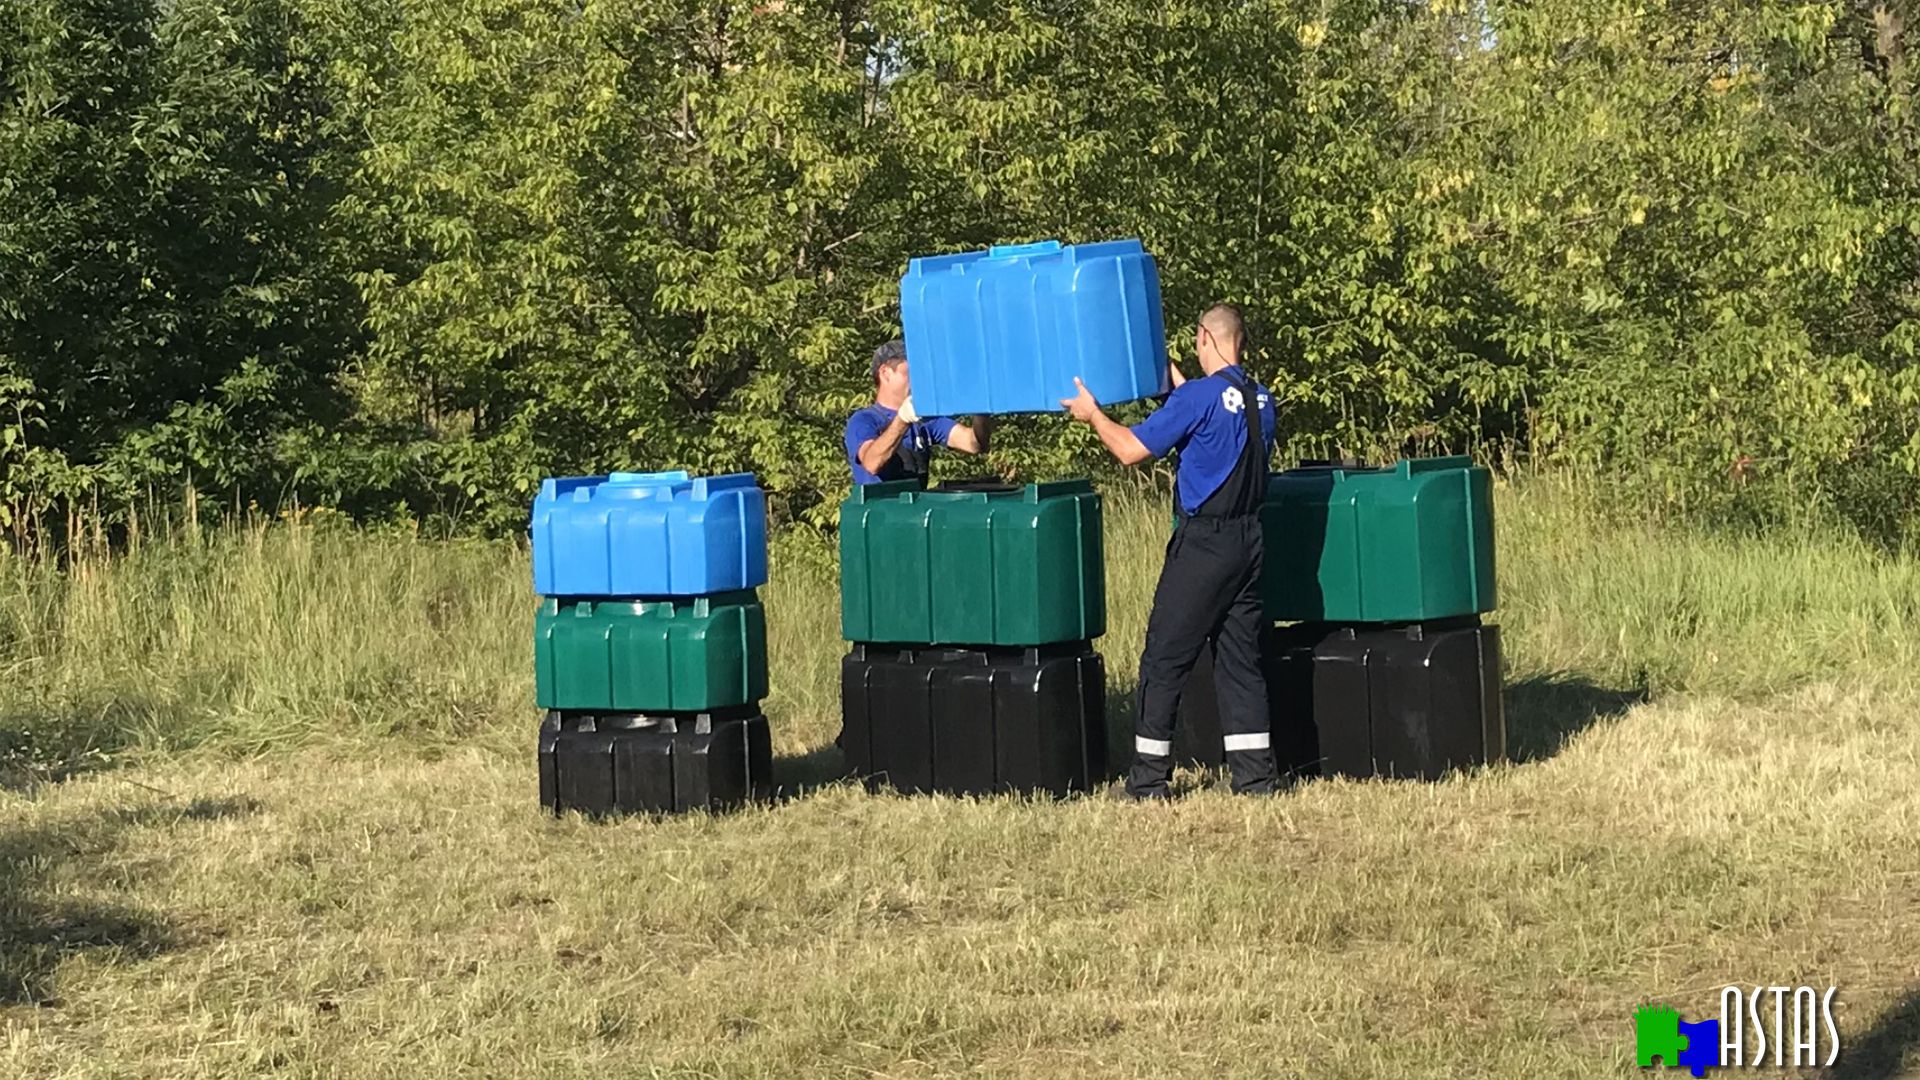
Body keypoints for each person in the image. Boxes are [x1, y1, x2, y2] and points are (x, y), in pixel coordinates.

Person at [1060, 303, 1280, 798]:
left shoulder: (1199, 397)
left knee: (1164, 658)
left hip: (1204, 546)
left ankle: (1147, 779)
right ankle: (1255, 777)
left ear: (1204, 337)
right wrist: (1167, 377)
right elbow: (1206, 408)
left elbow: (1129, 451)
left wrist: (1093, 415)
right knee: (1239, 660)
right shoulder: (1260, 398)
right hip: (1249, 541)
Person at [845, 339, 989, 485]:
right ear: (885, 373)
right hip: (878, 500)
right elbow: (872, 463)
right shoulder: (864, 420)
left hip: (917, 500)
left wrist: (982, 408)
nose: (919, 380)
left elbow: (973, 444)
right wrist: (902, 420)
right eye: (912, 371)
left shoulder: (924, 420)